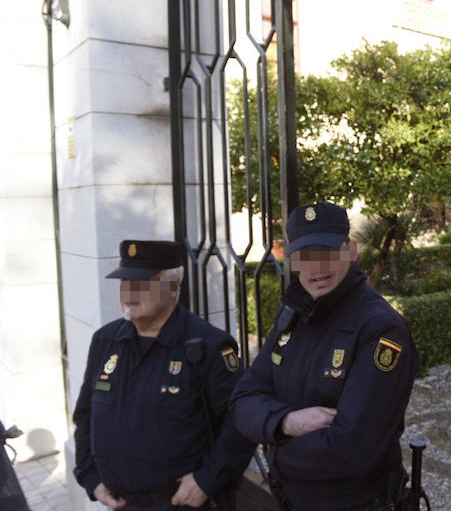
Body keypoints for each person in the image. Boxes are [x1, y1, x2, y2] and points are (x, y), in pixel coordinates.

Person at [231, 202, 418, 511]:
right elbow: (243, 399)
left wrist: (271, 444)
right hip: (291, 499)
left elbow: (351, 449)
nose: (316, 268)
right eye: (305, 257)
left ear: (351, 251)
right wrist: (286, 422)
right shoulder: (294, 314)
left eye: (327, 253)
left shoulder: (380, 329)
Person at [73, 240, 256, 510]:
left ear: (174, 287)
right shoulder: (106, 340)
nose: (130, 292)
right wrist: (90, 477)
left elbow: (241, 423)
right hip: (121, 503)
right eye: (125, 283)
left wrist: (206, 481)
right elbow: (85, 415)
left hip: (181, 503)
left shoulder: (208, 346)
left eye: (143, 283)